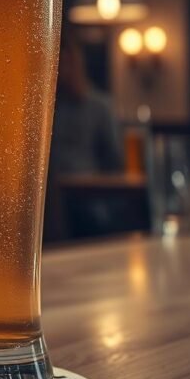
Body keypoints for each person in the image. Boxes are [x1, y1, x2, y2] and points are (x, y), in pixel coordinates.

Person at [47, 38, 123, 239]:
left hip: (87, 196)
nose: (60, 69)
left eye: (64, 62)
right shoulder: (48, 108)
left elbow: (114, 157)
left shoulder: (99, 106)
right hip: (51, 193)